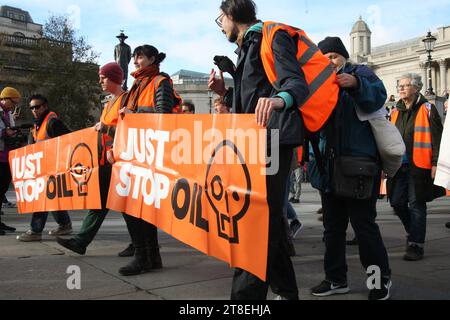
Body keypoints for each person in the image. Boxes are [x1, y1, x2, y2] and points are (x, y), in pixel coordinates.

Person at [209, 0, 311, 300]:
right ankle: (287, 292)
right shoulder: (248, 47)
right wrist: (224, 94)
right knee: (268, 222)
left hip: (273, 141)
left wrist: (280, 99)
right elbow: (253, 99)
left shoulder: (271, 35)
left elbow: (296, 84)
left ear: (231, 15)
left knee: (253, 224)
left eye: (221, 20)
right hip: (255, 142)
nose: (221, 27)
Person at [309, 37, 392, 300]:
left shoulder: (360, 73)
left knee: (364, 228)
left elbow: (377, 97)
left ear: (344, 57)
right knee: (332, 230)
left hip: (358, 168)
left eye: (334, 55)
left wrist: (356, 85)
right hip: (328, 169)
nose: (329, 61)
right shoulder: (318, 83)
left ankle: (379, 281)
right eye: (325, 57)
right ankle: (336, 279)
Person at [57, 62, 134, 257]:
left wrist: (106, 134)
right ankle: (82, 241)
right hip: (106, 161)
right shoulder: (109, 103)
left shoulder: (126, 100)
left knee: (124, 204)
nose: (100, 81)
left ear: (115, 78)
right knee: (105, 202)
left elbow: (129, 131)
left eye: (103, 77)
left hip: (120, 161)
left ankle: (141, 243)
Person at [117, 44, 179, 276]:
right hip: (135, 151)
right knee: (138, 207)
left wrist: (136, 116)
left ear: (152, 59)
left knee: (135, 207)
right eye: (134, 57)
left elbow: (164, 117)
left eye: (140, 57)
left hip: (150, 153)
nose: (135, 61)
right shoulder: (137, 84)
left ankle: (143, 257)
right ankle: (150, 256)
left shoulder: (160, 81)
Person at [388, 73, 443, 261]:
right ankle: (413, 232)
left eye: (405, 85)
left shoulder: (428, 109)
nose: (401, 89)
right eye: (399, 86)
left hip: (420, 165)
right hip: (399, 166)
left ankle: (416, 245)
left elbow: (438, 138)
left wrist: (436, 163)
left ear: (417, 88)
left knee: (416, 204)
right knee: (396, 202)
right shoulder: (395, 111)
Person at [16, 95, 72, 242]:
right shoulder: (38, 124)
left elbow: (69, 140)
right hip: (42, 168)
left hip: (52, 168)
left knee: (42, 199)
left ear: (45, 106)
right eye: (32, 107)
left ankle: (35, 231)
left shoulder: (52, 122)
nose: (34, 110)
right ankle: (65, 224)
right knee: (52, 199)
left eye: (37, 106)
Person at [0, 87, 21, 235]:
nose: (14, 105)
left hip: (6, 155)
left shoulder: (8, 113)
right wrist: (4, 132)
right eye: (13, 102)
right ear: (5, 98)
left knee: (3, 189)